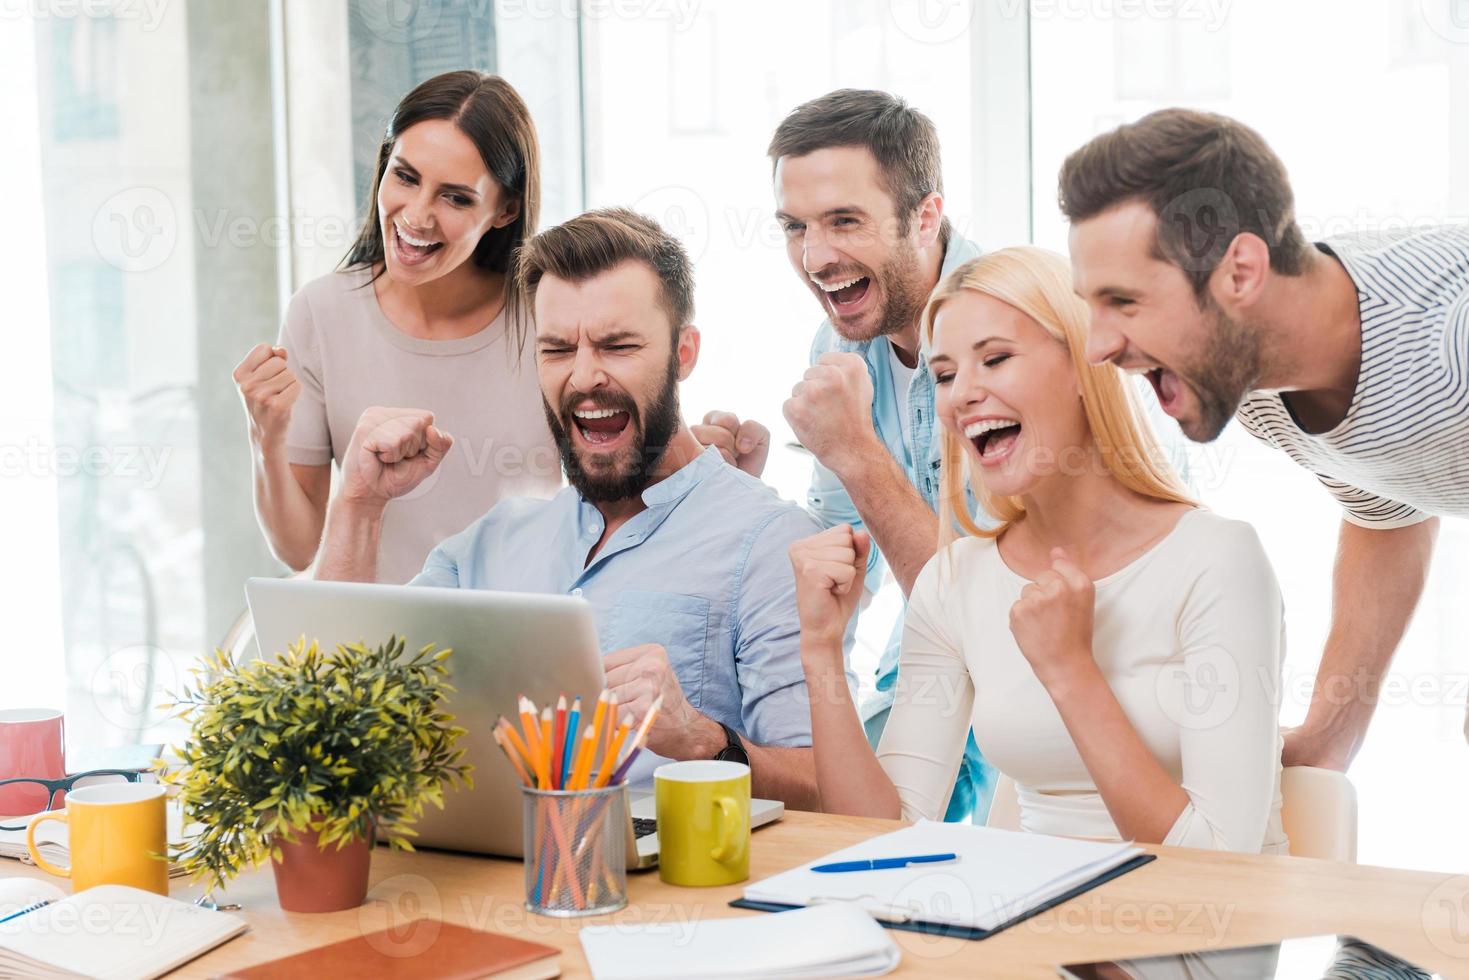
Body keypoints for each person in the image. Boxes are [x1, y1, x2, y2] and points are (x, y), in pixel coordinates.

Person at [315, 209, 838, 808]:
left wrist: (700, 740)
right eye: (558, 349)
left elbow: (825, 789)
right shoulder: (491, 543)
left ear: (684, 353)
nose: (584, 376)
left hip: (666, 890)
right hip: (474, 879)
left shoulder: (771, 543)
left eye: (617, 346)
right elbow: (336, 714)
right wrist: (359, 505)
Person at [790, 247, 1287, 853]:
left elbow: (1219, 862)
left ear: (1085, 365)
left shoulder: (1218, 560)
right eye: (944, 375)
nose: (963, 394)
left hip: (1194, 934)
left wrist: (1070, 672)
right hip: (1034, 927)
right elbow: (880, 840)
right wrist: (820, 650)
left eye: (995, 359)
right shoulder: (956, 580)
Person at [1060, 108, 1466, 771]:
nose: (1098, 346)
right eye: (1090, 306)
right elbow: (1387, 509)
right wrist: (1325, 744)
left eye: (1124, 302)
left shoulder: (1447, 330)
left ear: (1240, 272)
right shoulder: (1259, 388)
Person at [694, 89, 994, 822]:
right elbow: (840, 561)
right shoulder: (839, 346)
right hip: (930, 677)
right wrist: (735, 500)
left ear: (925, 216)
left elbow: (985, 622)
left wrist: (855, 451)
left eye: (844, 222)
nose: (815, 256)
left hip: (1056, 686)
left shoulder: (1006, 336)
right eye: (794, 227)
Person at [232, 70, 558, 584]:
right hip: (380, 653)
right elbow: (298, 550)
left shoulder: (549, 318)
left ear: (505, 210)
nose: (418, 216)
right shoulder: (321, 313)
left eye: (456, 197)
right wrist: (265, 438)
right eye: (405, 177)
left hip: (520, 643)